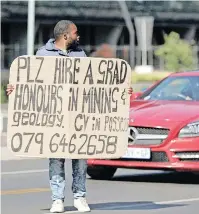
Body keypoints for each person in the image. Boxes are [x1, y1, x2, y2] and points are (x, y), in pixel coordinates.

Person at [6, 20, 133, 213]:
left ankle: (79, 197)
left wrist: (119, 90)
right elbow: (34, 85)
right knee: (56, 159)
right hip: (54, 118)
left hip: (77, 117)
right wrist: (16, 89)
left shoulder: (79, 54)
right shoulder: (42, 55)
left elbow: (92, 87)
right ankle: (57, 199)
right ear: (65, 35)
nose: (78, 36)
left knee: (80, 159)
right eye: (75, 33)